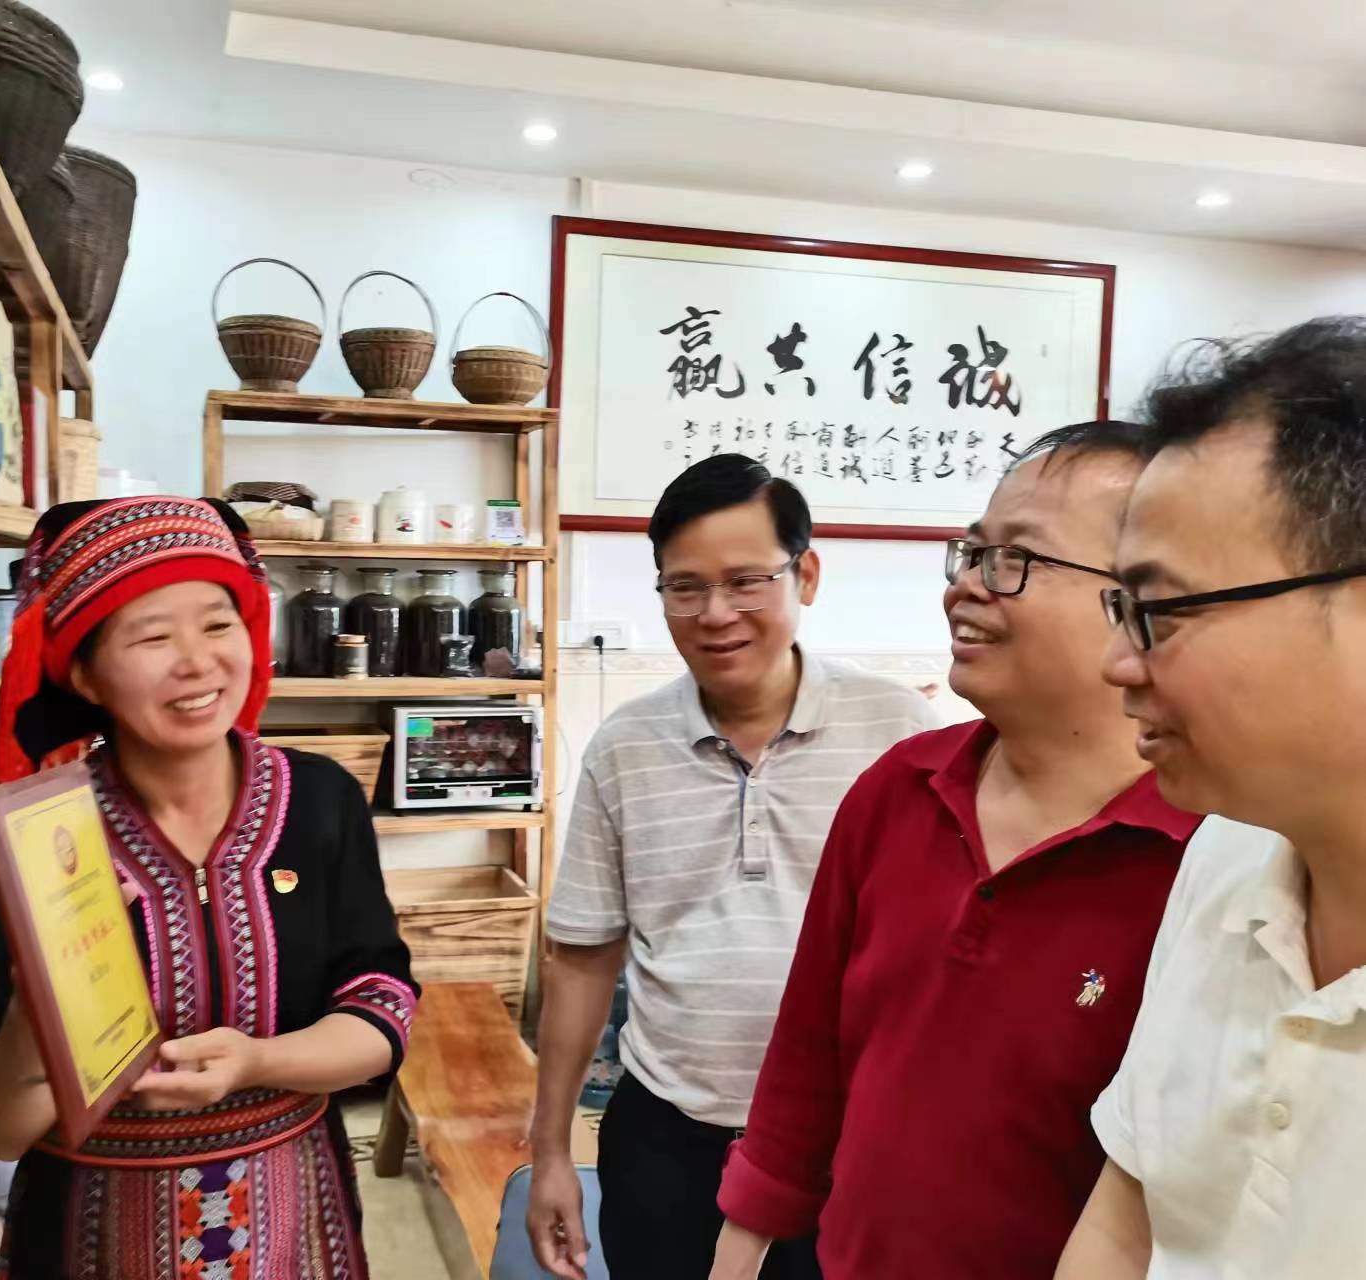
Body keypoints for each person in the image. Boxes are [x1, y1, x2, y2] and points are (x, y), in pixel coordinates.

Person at [710, 422, 1202, 1280]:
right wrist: (741, 1247)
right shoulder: (900, 790)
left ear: (1140, 601)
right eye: (971, 553)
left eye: (1015, 560)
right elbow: (807, 1056)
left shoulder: (1207, 852)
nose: (966, 587)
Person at [0, 496, 417, 1280]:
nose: (197, 662)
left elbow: (382, 1009)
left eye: (218, 624)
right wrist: (33, 1024)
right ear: (85, 673)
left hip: (293, 1230)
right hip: (88, 1240)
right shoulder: (38, 841)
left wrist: (257, 1062)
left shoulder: (320, 800)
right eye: (153, 636)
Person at [527, 454, 937, 1280]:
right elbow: (582, 960)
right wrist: (549, 1153)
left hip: (847, 1144)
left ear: (805, 576)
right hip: (667, 1139)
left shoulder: (898, 731)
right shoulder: (623, 747)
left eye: (746, 581)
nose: (715, 615)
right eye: (685, 588)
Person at [1059, 319, 1366, 1278]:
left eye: (1159, 610)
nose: (1117, 663)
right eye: (1123, 610)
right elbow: (1133, 1211)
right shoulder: (1227, 848)